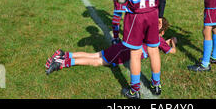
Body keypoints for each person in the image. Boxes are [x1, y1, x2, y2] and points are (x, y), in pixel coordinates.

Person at [106, 0, 167, 99]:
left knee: (135, 53)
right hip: (153, 15)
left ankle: (134, 90)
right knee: (154, 50)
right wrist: (160, 15)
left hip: (136, 18)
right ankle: (156, 84)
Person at [45, 17, 176, 75]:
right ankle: (62, 63)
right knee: (97, 61)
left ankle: (63, 54)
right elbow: (172, 52)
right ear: (163, 32)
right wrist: (173, 41)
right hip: (123, 52)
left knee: (95, 55)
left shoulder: (148, 31)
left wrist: (167, 40)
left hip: (121, 46)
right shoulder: (158, 38)